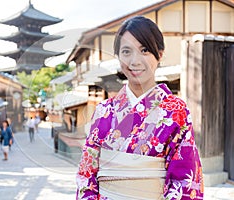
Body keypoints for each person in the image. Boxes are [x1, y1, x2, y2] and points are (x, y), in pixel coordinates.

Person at [76, 16, 204, 200]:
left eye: (144, 50)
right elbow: (86, 173)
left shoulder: (176, 111)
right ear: (118, 56)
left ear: (159, 54)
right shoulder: (103, 111)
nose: (135, 61)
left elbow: (184, 180)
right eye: (126, 51)